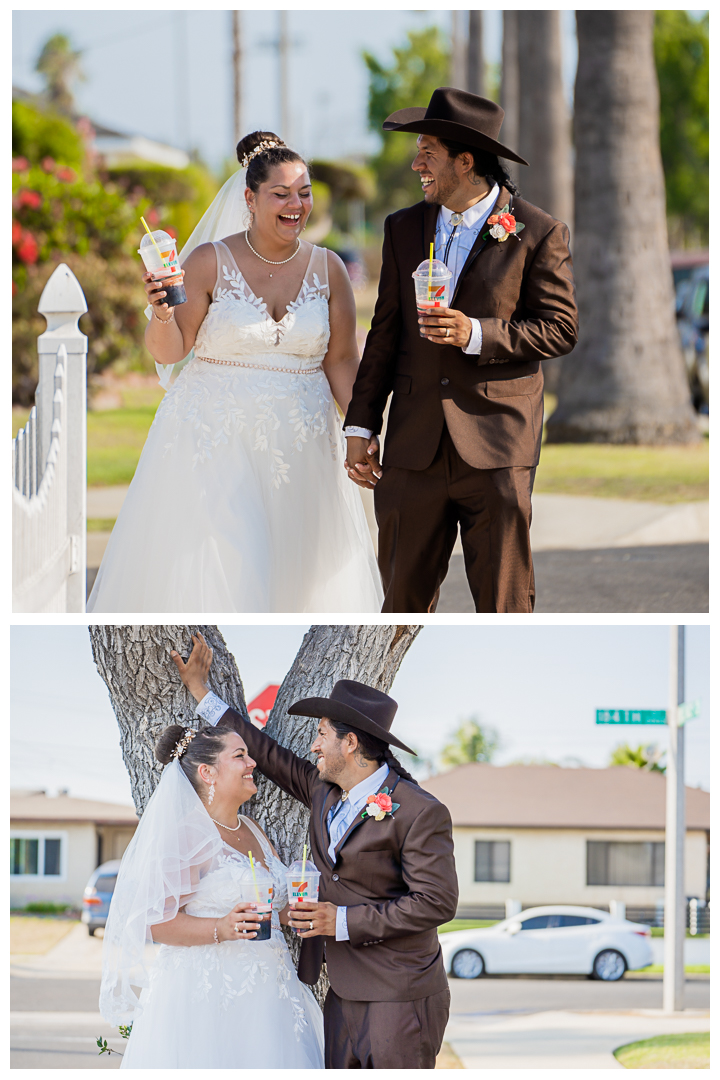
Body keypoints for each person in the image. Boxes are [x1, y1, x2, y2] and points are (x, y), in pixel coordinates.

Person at [87, 130, 382, 613]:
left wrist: (362, 429)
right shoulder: (207, 261)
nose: (296, 205)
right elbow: (170, 351)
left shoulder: (329, 269)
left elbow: (343, 359)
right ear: (249, 197)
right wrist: (162, 311)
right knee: (230, 567)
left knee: (298, 575)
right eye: (281, 194)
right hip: (215, 442)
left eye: (304, 194)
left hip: (303, 447)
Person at [172, 632, 458, 1070]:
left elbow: (436, 902)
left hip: (399, 995)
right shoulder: (323, 790)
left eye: (321, 734)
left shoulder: (420, 811)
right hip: (339, 994)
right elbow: (266, 752)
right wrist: (201, 692)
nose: (312, 745)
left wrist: (339, 920)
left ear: (351, 744)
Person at [344, 87, 579, 613]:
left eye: (427, 150)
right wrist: (361, 425)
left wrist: (475, 333)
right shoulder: (401, 228)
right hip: (412, 449)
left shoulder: (538, 233)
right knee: (398, 609)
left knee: (504, 607)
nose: (415, 164)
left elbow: (560, 329)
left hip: (497, 448)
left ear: (465, 161)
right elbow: (385, 332)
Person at [100, 720, 324, 1069]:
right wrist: (222, 926)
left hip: (271, 996)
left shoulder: (252, 828)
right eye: (240, 756)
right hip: (210, 997)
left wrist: (297, 909)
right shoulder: (189, 834)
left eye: (249, 755)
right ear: (208, 772)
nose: (252, 764)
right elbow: (157, 922)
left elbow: (272, 908)